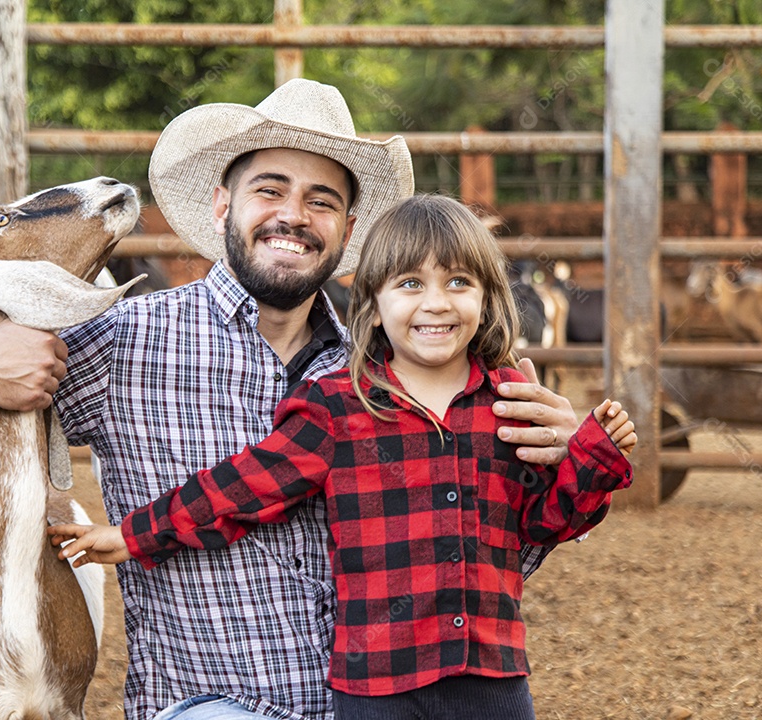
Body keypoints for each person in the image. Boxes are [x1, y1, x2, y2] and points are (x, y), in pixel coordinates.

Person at [0, 80, 583, 720]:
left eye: (322, 201)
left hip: (372, 700)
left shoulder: (393, 374)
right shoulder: (125, 343)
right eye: (269, 190)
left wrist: (550, 462)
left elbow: (484, 562)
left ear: (346, 231)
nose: (293, 217)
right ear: (224, 205)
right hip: (211, 703)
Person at [47, 195, 636, 720]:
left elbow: (542, 524)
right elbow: (243, 488)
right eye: (410, 284)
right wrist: (132, 536)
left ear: (487, 299)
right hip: (377, 687)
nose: (436, 303)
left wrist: (592, 460)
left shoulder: (506, 405)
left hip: (492, 680)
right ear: (373, 305)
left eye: (459, 282)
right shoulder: (338, 407)